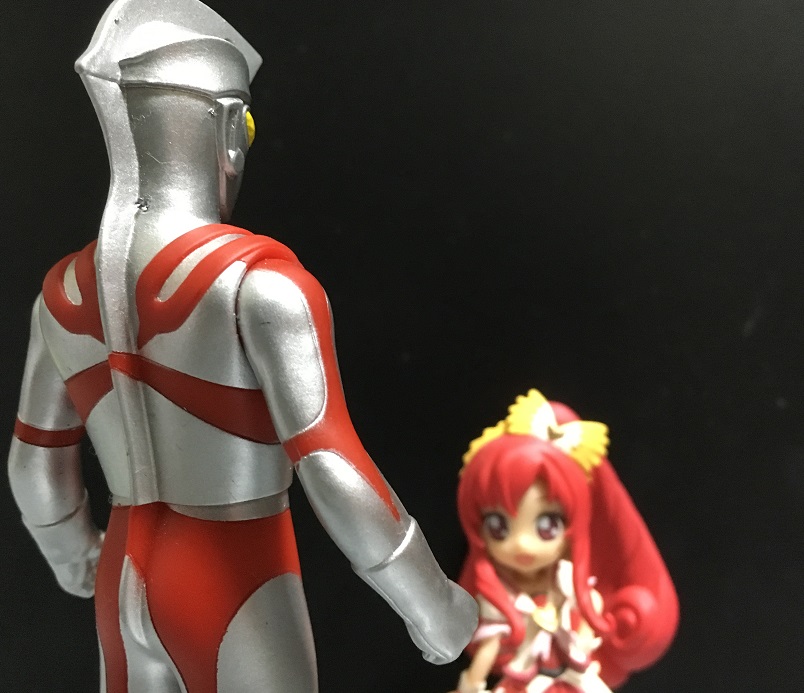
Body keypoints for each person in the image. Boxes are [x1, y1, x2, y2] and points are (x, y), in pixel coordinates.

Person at [7, 1, 476, 691]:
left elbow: (34, 465)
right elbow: (330, 465)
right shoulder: (260, 286)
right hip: (237, 573)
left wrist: (73, 556)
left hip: (122, 575)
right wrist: (432, 604)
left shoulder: (60, 296)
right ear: (228, 129)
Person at [453, 390, 678, 693]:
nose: (522, 544)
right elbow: (490, 646)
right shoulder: (499, 596)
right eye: (498, 527)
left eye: (547, 526)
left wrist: (583, 645)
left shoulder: (567, 581)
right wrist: (470, 685)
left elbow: (589, 615)